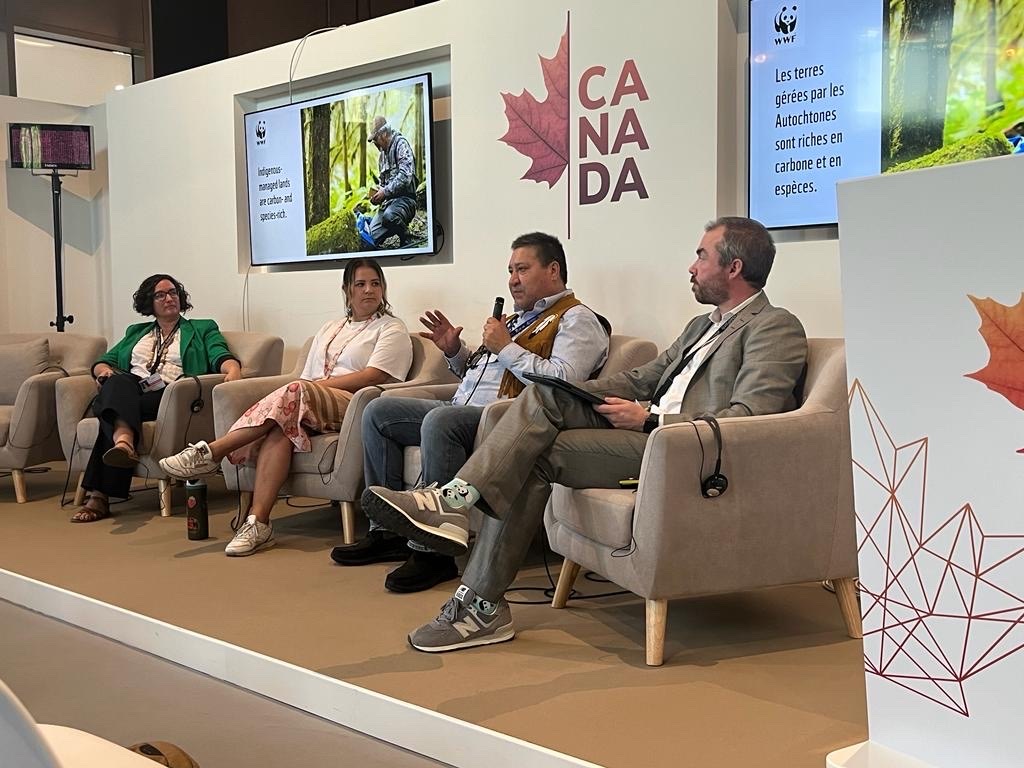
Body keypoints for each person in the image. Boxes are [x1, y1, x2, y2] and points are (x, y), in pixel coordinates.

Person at [361, 216, 809, 652]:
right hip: (646, 436)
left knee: (534, 423)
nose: (691, 267)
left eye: (701, 256)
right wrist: (569, 392)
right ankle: (473, 578)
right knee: (540, 409)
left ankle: (458, 527)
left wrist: (650, 421)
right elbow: (639, 380)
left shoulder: (776, 326)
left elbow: (750, 418)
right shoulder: (700, 326)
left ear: (734, 268)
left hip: (681, 450)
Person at [331, 232, 610, 593]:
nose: (512, 279)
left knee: (440, 420)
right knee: (377, 410)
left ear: (553, 270)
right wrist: (455, 352)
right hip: (464, 407)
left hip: (507, 420)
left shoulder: (577, 319)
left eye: (522, 269)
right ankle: (388, 532)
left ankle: (434, 552)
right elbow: (479, 376)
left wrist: (505, 347)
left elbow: (564, 382)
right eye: (510, 270)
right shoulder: (517, 320)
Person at [159, 258, 413, 556]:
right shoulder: (331, 327)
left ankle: (213, 452)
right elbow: (306, 375)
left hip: (354, 402)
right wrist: (305, 390)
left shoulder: (391, 328)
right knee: (281, 429)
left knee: (294, 392)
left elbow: (376, 376)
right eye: (360, 284)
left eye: (375, 283)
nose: (369, 290)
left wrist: (312, 389)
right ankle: (259, 523)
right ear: (347, 290)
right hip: (310, 400)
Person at [74, 274, 242, 523]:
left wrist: (233, 370)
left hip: (171, 395)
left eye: (173, 292)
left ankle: (99, 495)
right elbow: (104, 361)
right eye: (160, 294)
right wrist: (103, 373)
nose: (169, 298)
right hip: (133, 391)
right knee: (118, 383)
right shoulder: (136, 332)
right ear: (148, 302)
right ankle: (124, 443)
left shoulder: (202, 327)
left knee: (111, 406)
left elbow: (219, 353)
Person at [356, 116, 418, 248]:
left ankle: (406, 236)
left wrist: (385, 192)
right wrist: (377, 195)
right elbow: (383, 184)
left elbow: (405, 176)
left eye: (376, 139)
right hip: (388, 205)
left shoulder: (401, 145)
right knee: (369, 240)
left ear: (384, 133)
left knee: (389, 217)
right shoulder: (382, 157)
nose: (375, 144)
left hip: (406, 201)